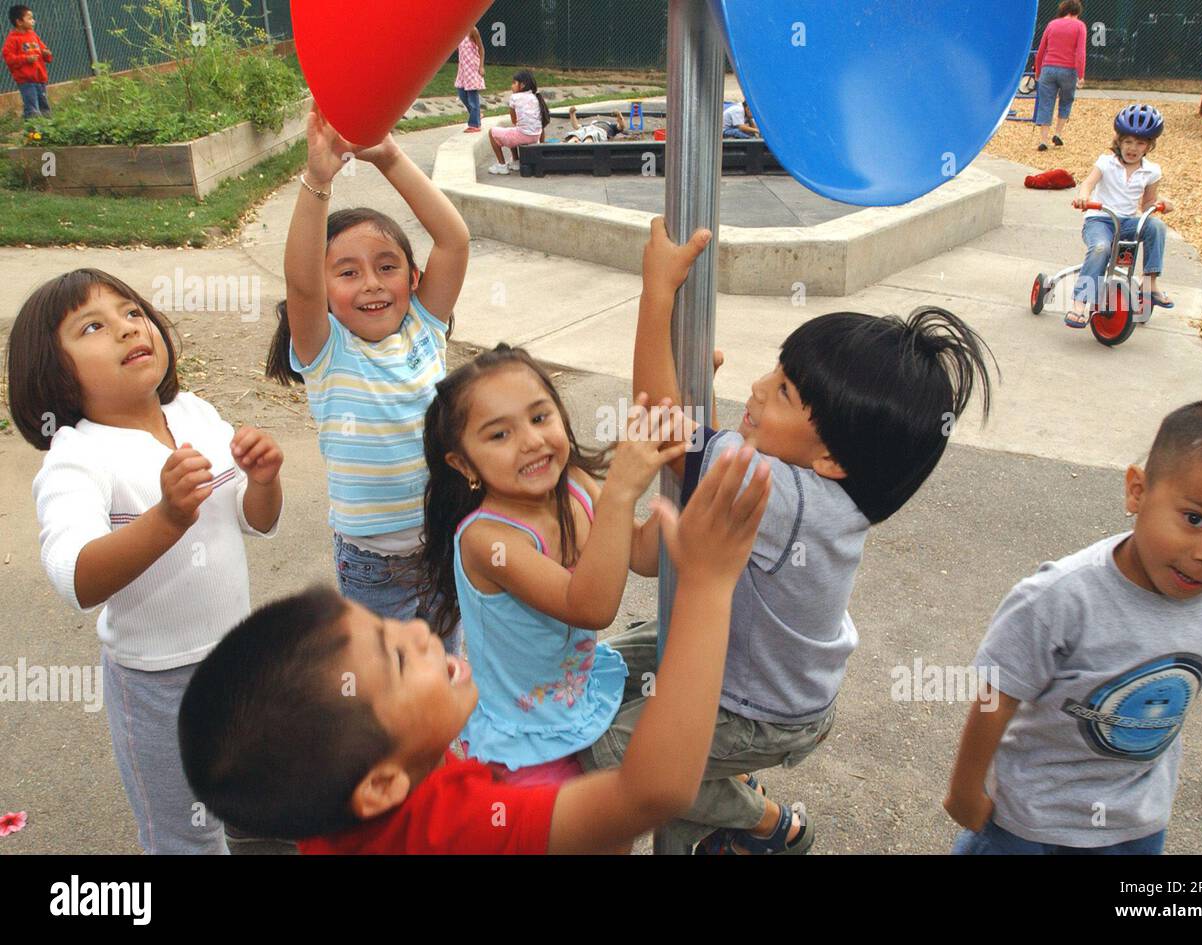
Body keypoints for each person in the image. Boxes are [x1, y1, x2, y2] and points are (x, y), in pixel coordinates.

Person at [586, 218, 995, 854]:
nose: (759, 387)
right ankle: (717, 817)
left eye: (782, 392)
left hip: (757, 708)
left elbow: (666, 431)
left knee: (614, 755)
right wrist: (725, 418)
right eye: (775, 371)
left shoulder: (788, 495)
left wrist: (658, 293)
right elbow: (707, 469)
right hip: (756, 670)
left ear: (832, 456)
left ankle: (762, 822)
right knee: (587, 678)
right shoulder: (825, 491)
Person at [178, 447, 772, 855]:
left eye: (383, 628)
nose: (416, 632)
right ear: (381, 786)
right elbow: (651, 792)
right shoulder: (454, 831)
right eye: (401, 659)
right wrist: (706, 587)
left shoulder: (331, 800)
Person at [7, 269, 284, 854]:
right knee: (183, 834)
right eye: (93, 326)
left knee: (260, 800)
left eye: (132, 313)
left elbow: (252, 519)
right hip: (159, 686)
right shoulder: (77, 458)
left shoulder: (193, 414)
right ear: (53, 373)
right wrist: (166, 519)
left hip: (237, 663)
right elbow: (74, 575)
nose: (127, 329)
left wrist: (264, 481)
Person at [944, 401, 1202, 855]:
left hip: (1137, 820)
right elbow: (997, 696)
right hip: (1030, 818)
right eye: (1195, 519)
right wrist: (965, 790)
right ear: (1137, 491)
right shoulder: (1061, 597)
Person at [416, 344, 686, 785]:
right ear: (464, 464)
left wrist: (673, 477)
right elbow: (589, 607)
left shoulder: (574, 484)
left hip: (577, 691)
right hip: (526, 737)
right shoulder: (488, 539)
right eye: (499, 435)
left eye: (540, 417)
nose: (532, 441)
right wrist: (620, 491)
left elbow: (641, 552)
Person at [265, 104, 470, 642]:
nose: (373, 283)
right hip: (373, 570)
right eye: (348, 273)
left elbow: (455, 240)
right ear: (326, 294)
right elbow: (301, 283)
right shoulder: (327, 352)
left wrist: (390, 156)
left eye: (387, 266)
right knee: (388, 698)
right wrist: (316, 179)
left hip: (444, 546)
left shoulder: (425, 328)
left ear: (413, 276)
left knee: (446, 675)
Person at [1065, 103, 1174, 328]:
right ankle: (1080, 302)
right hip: (1100, 220)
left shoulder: (1152, 171)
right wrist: (1084, 197)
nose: (1133, 148)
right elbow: (1088, 183)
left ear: (1149, 146)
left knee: (1156, 226)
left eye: (1140, 143)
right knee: (1101, 248)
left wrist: (1161, 204)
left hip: (1127, 222)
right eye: (1128, 141)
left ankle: (1149, 284)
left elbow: (1148, 203)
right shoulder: (1106, 163)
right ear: (1119, 142)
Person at [1033, 1, 1086, 150]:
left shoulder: (1052, 24)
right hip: (1068, 70)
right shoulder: (1080, 26)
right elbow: (1080, 52)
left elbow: (1042, 49)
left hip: (1048, 68)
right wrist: (1081, 74)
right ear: (1077, 11)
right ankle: (1058, 133)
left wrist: (1038, 71)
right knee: (1066, 100)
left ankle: (1043, 139)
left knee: (1046, 103)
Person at [488, 69, 549, 175]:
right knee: (512, 131)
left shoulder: (514, 98)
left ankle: (501, 165)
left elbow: (514, 120)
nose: (511, 86)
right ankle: (515, 162)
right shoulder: (535, 97)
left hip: (524, 136)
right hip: (535, 137)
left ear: (522, 85)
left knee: (492, 132)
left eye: (514, 83)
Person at [3, 5, 52, 119]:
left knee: (44, 106)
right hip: (26, 80)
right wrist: (26, 59)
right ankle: (34, 132)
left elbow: (43, 50)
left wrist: (46, 54)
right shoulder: (13, 39)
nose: (33, 21)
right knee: (32, 108)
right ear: (19, 22)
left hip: (40, 78)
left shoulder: (33, 35)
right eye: (29, 18)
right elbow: (9, 58)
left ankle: (48, 130)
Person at [454, 27, 486, 133]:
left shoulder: (473, 30)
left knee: (472, 97)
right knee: (461, 93)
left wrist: (481, 66)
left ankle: (474, 124)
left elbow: (481, 48)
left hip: (472, 68)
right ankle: (477, 115)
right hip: (463, 69)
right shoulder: (459, 31)